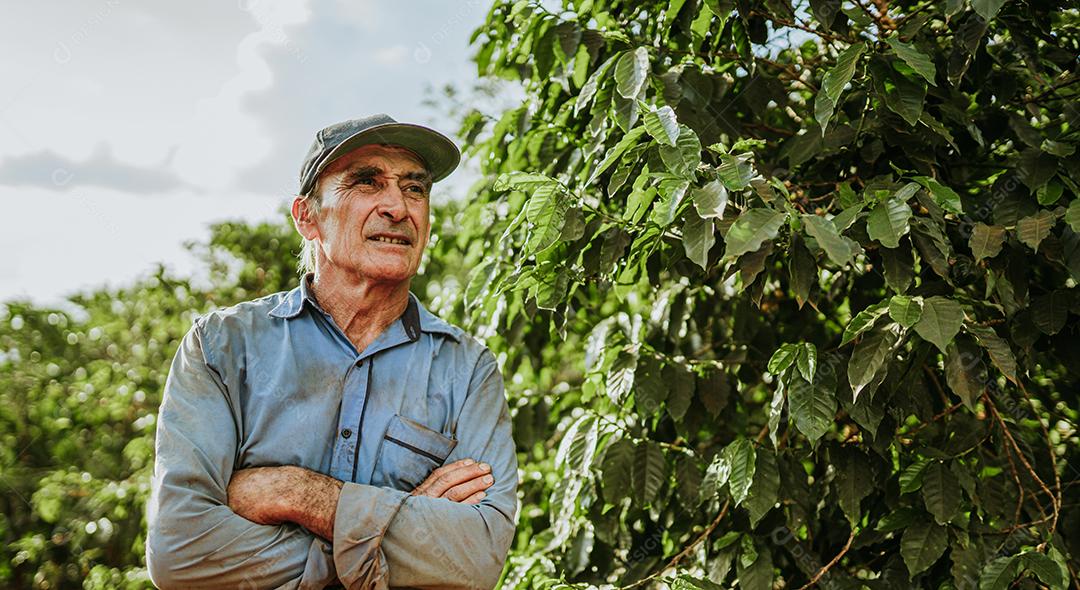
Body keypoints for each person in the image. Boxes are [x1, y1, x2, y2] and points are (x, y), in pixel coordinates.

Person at [144, 114, 518, 589]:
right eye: (367, 182)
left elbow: (477, 559)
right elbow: (180, 553)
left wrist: (298, 494)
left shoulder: (468, 370)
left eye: (414, 188)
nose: (398, 207)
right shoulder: (222, 346)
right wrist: (399, 527)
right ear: (307, 216)